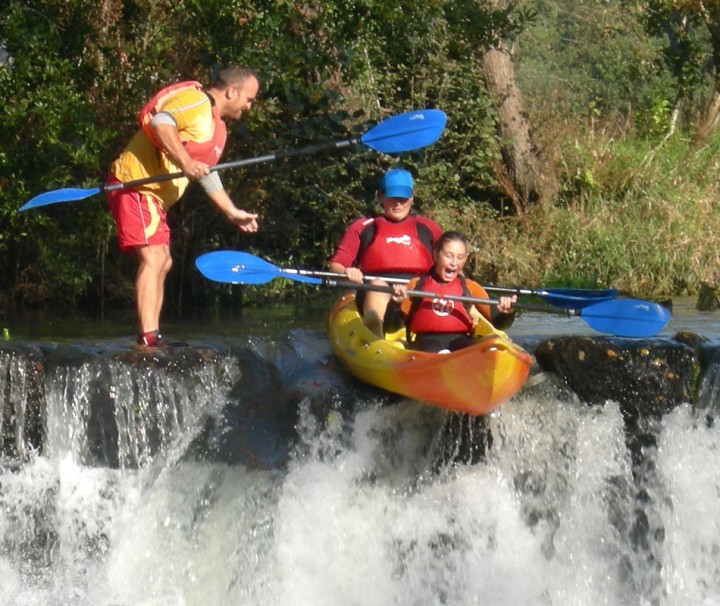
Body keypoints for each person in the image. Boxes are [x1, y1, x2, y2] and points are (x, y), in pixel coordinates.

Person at [106, 65, 260, 347]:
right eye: (248, 99)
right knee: (154, 258)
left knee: (164, 260)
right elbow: (160, 122)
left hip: (153, 196)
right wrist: (186, 162)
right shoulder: (197, 102)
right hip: (136, 184)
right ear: (232, 91)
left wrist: (232, 212)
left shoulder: (217, 128)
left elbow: (208, 173)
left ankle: (152, 336)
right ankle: (148, 338)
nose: (249, 106)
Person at [328, 168, 443, 336]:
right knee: (378, 286)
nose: (398, 203)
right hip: (375, 292)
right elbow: (335, 265)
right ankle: (375, 331)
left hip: (416, 292)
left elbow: (450, 264)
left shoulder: (428, 228)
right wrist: (347, 271)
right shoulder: (364, 227)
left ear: (412, 197)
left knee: (430, 288)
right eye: (392, 197)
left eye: (403, 198)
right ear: (380, 196)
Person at [391, 231, 516, 353]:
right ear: (435, 254)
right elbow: (391, 327)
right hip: (426, 341)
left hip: (461, 339)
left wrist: (507, 313)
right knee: (432, 348)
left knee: (465, 349)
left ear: (465, 259)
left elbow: (499, 323)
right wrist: (395, 304)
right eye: (448, 256)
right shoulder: (416, 285)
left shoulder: (470, 287)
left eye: (460, 257)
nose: (454, 263)